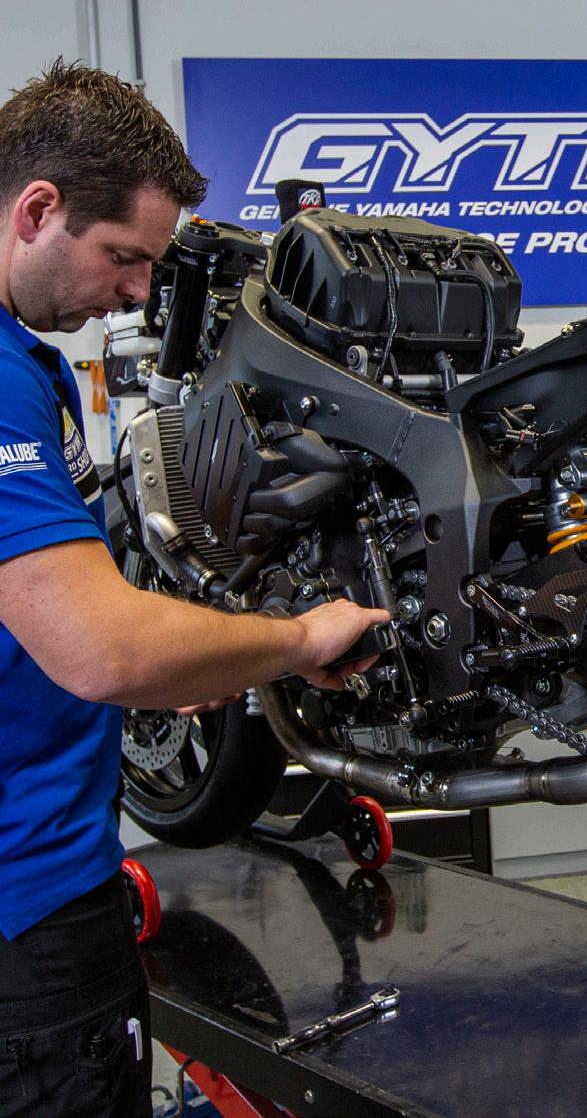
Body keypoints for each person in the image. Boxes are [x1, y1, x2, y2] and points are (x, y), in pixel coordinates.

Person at [0, 61, 390, 1117]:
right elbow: (102, 649)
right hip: (29, 910)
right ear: (37, 211)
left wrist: (188, 655)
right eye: (124, 257)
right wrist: (297, 638)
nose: (137, 292)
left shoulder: (23, 359)